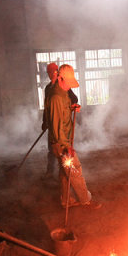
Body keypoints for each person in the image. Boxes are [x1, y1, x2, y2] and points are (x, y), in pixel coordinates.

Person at [46, 64, 101, 209]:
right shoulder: (56, 97)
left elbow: (62, 111)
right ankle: (85, 200)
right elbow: (56, 127)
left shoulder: (63, 93)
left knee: (66, 172)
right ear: (60, 79)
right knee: (75, 169)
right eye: (68, 83)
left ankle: (66, 200)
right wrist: (66, 148)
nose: (69, 86)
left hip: (63, 140)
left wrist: (72, 107)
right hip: (61, 143)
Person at [41, 62, 78, 180]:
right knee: (52, 149)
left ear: (57, 72)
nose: (51, 74)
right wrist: (45, 122)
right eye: (49, 72)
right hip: (53, 125)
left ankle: (62, 175)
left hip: (62, 126)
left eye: (53, 71)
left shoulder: (64, 85)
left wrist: (72, 106)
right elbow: (47, 107)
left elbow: (74, 99)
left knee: (62, 152)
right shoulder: (48, 88)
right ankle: (50, 171)